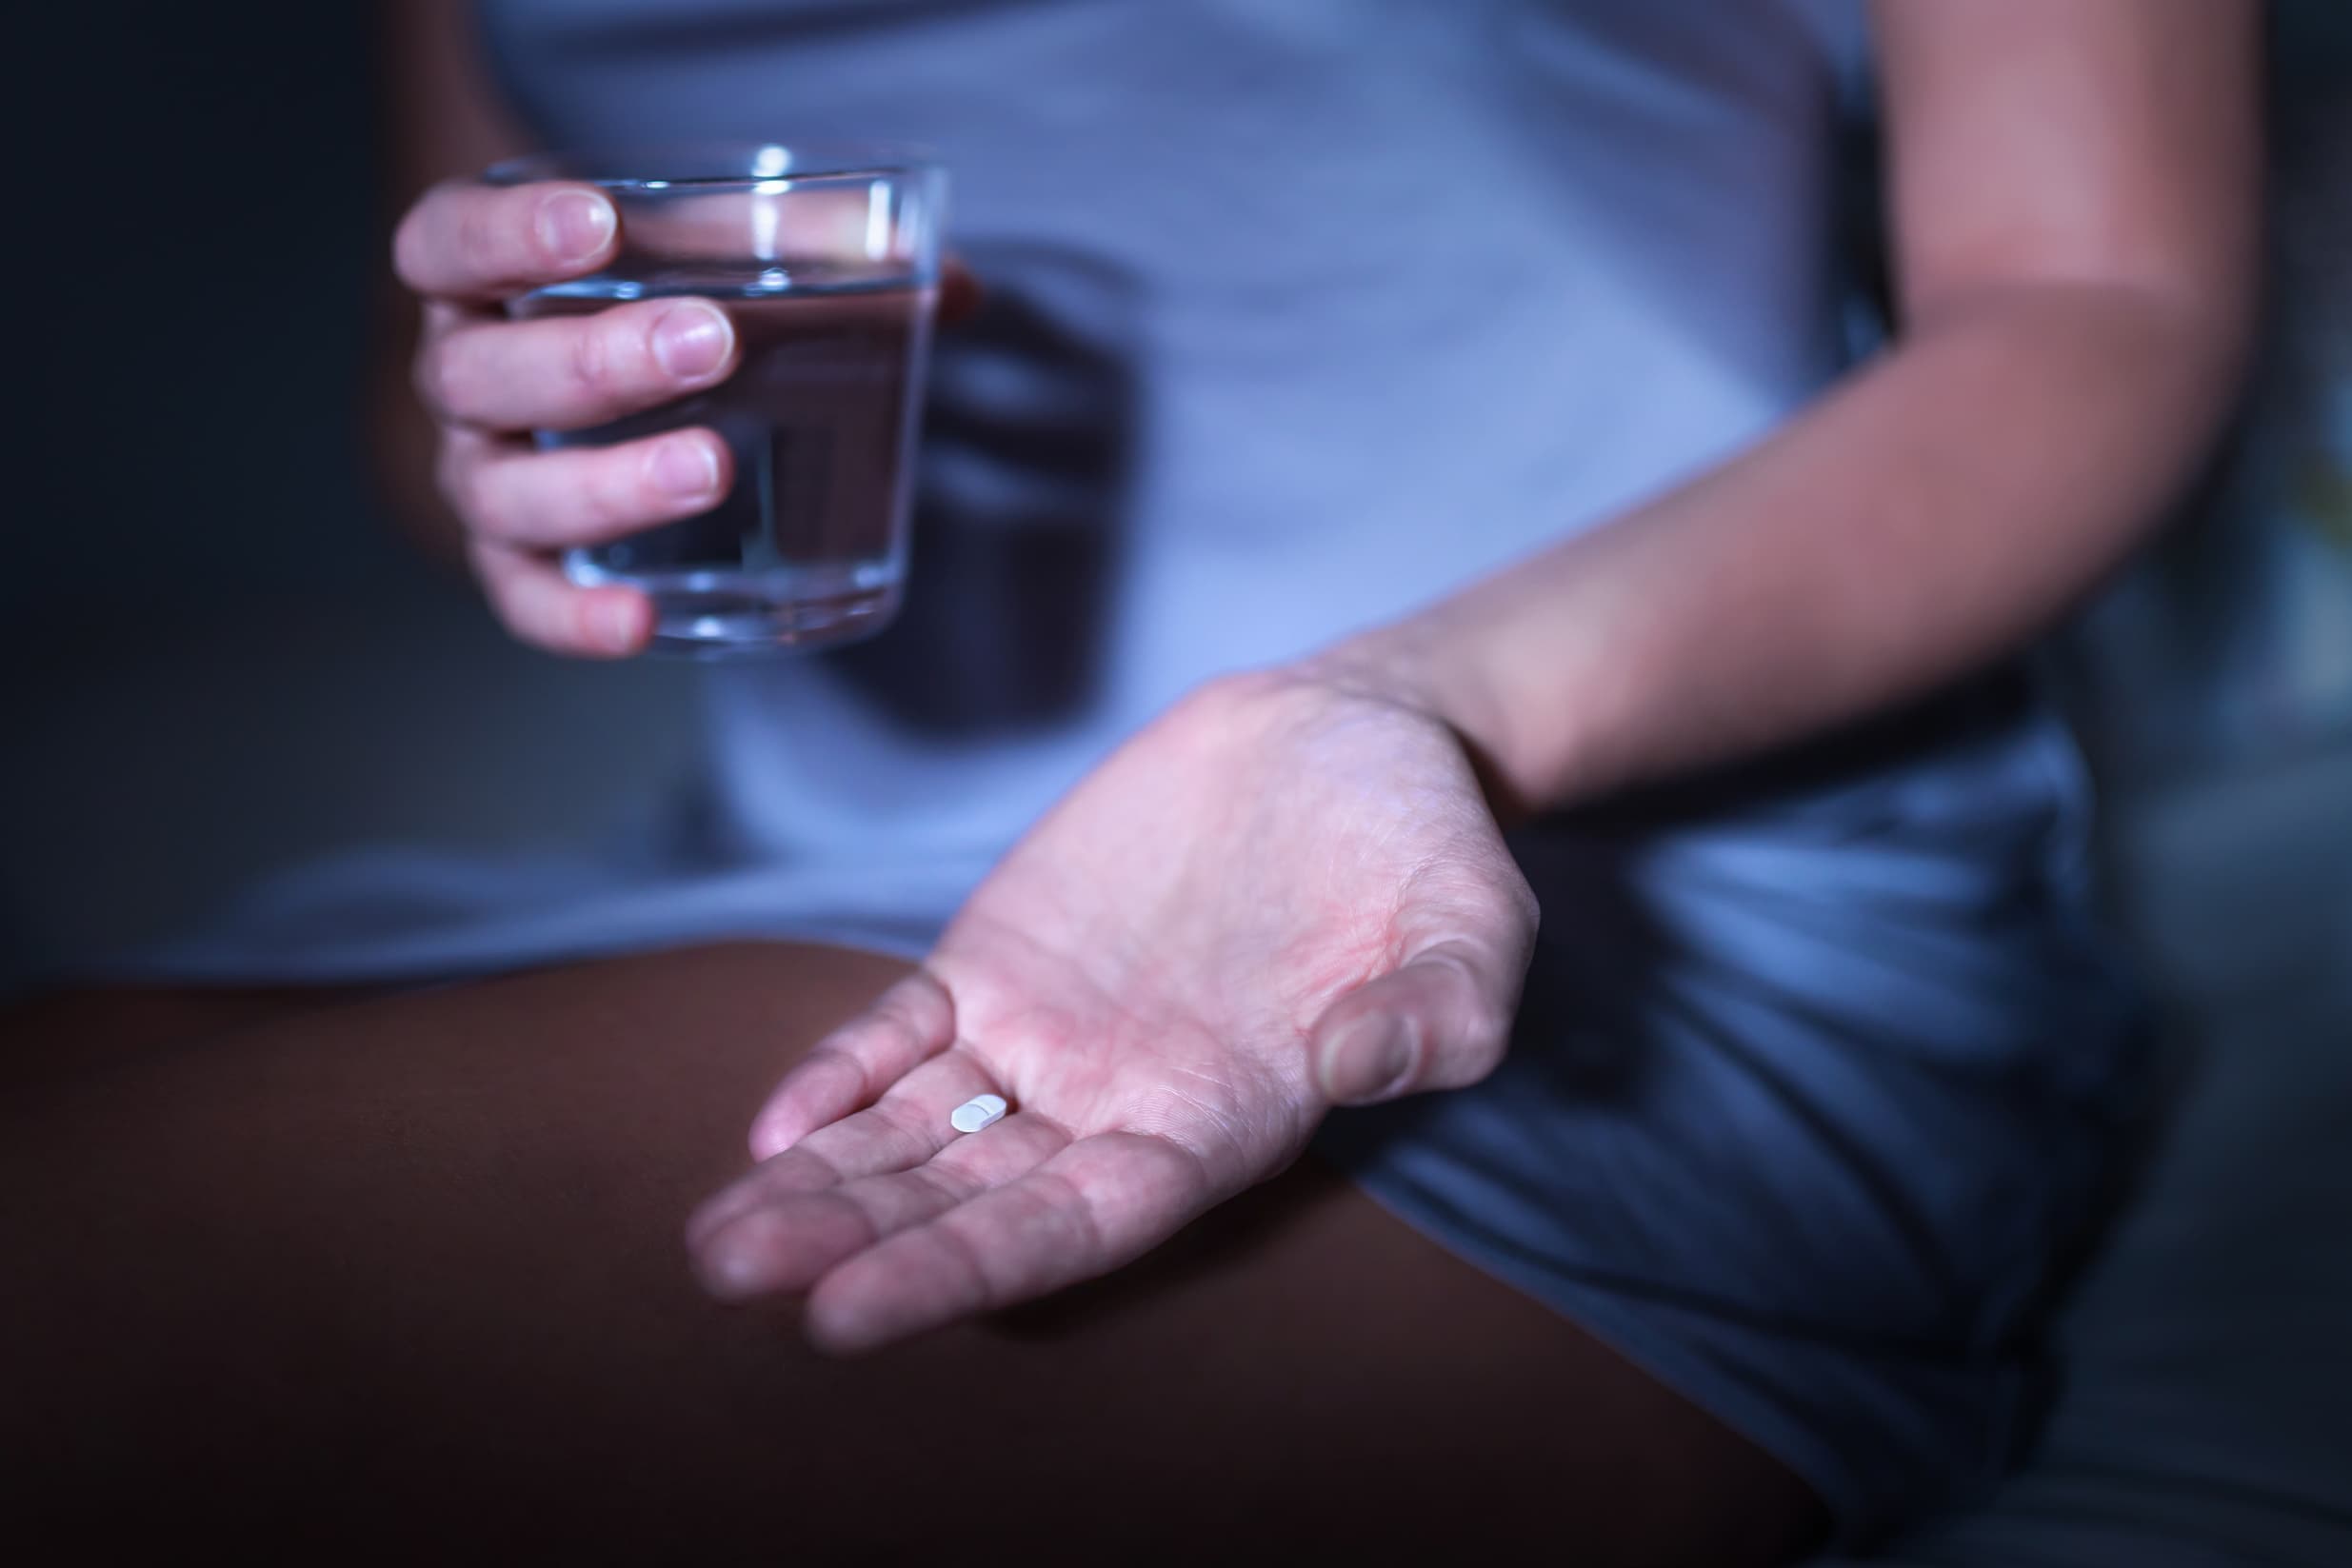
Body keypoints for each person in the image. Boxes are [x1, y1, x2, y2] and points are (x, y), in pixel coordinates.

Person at [2, 1, 2259, 1560]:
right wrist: (517, 434)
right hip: (781, 868)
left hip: (1597, 890)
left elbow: (2094, 303)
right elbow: (444, 404)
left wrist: (1407, 700)